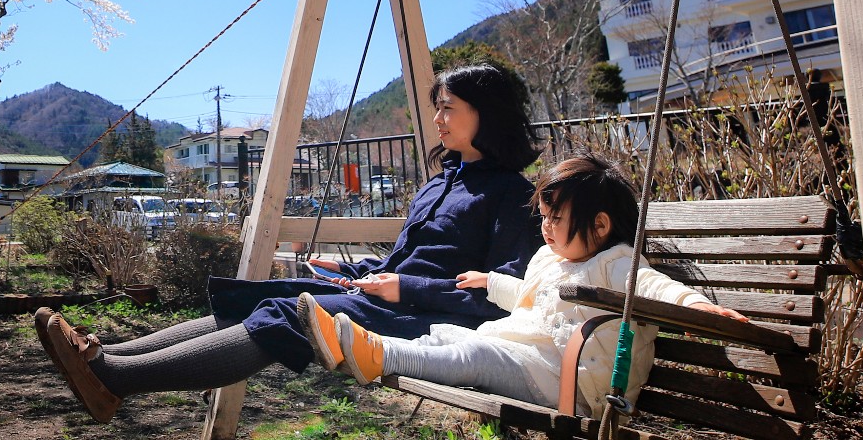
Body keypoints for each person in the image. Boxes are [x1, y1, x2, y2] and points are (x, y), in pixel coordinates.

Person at [34, 61, 542, 423]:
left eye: (448, 109)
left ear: (485, 113)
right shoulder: (440, 181)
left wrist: (406, 288)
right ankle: (108, 358)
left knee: (289, 314)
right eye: (437, 109)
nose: (437, 120)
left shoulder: (513, 195)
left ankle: (115, 379)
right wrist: (367, 271)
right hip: (388, 297)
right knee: (255, 295)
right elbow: (411, 257)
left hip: (428, 322)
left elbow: (503, 296)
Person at [305, 154, 746, 415]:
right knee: (447, 334)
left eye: (557, 219)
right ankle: (357, 346)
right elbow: (531, 299)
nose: (547, 228)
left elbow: (652, 287)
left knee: (474, 354)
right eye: (545, 218)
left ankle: (376, 354)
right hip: (536, 361)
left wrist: (698, 307)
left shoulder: (616, 262)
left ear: (600, 224)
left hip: (574, 382)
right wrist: (492, 282)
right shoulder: (551, 259)